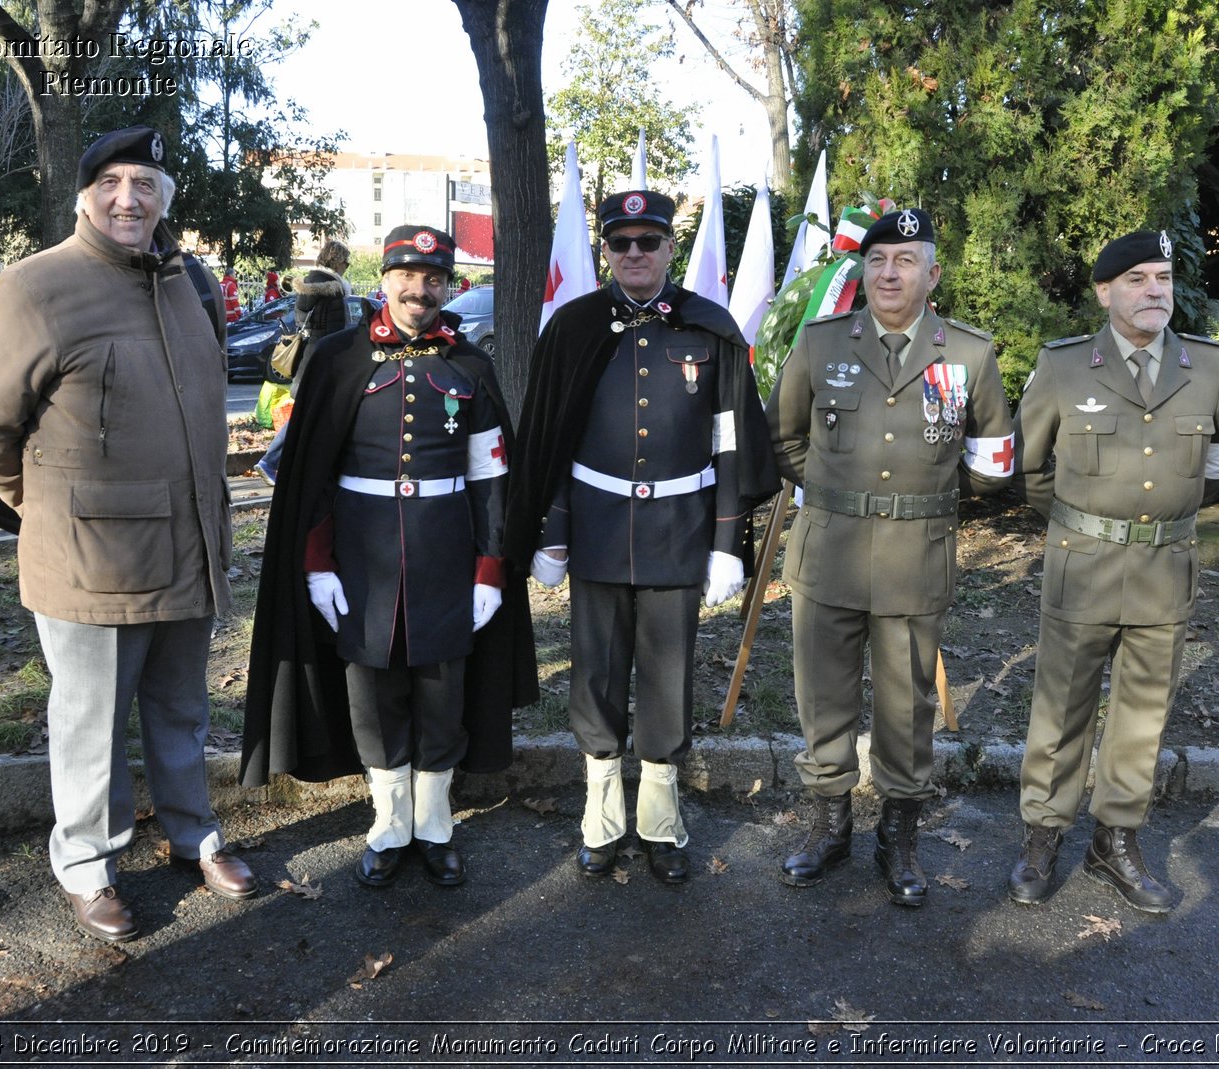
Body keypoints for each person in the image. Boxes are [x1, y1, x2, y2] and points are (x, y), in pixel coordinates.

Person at [0, 125, 256, 944]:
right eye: (113, 182)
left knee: (181, 708)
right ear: (84, 194)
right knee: (91, 719)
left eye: (146, 184)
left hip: (187, 546)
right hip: (89, 562)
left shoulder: (189, 280)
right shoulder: (37, 286)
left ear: (164, 199)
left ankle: (196, 835)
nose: (130, 199)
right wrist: (44, 509)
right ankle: (89, 865)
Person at [242, 225, 535, 888]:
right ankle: (389, 822)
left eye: (434, 279)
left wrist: (491, 568)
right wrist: (316, 564)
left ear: (447, 287)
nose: (419, 290)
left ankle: (434, 826)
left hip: (446, 558)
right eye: (407, 275)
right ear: (386, 280)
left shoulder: (471, 365)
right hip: (361, 562)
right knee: (372, 695)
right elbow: (310, 477)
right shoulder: (339, 358)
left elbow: (492, 472)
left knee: (440, 694)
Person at [505, 190, 779, 883]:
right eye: (620, 243)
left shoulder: (709, 328)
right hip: (596, 528)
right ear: (605, 251)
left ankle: (659, 816)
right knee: (595, 672)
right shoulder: (572, 328)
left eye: (647, 243)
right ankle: (602, 815)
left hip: (680, 532)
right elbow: (556, 440)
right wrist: (555, 530)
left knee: (667, 673)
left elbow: (730, 442)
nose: (634, 254)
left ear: (668, 250)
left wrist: (726, 541)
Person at [764, 208, 1014, 907]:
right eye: (877, 261)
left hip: (916, 555)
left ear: (932, 273)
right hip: (830, 552)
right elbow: (782, 440)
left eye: (905, 260)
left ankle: (899, 834)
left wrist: (926, 493)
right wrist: (840, 494)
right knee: (823, 696)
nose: (889, 272)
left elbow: (994, 460)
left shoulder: (967, 353)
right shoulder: (820, 344)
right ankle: (828, 824)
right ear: (863, 271)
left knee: (908, 706)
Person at [1008, 229, 1219, 913]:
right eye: (1136, 279)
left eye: (1163, 277)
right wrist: (1090, 520)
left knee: (1142, 716)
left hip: (1166, 568)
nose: (1154, 291)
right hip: (1083, 566)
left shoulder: (1211, 366)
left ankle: (1115, 840)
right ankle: (1042, 836)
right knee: (1061, 710)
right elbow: (1031, 467)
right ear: (1105, 292)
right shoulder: (1064, 367)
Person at [254, 238, 353, 485]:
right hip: (324, 365)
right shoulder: (332, 291)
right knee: (305, 417)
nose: (347, 266)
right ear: (337, 261)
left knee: (314, 416)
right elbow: (337, 335)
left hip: (307, 359)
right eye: (346, 262)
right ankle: (270, 461)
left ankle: (305, 467)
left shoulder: (307, 285)